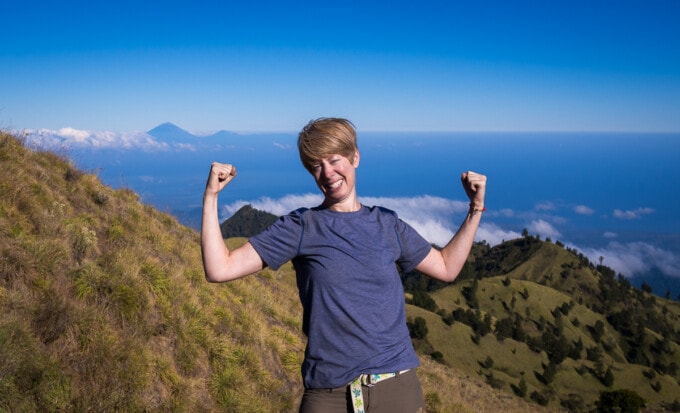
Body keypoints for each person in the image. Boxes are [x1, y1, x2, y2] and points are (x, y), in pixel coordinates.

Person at [201, 118, 487, 413]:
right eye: (316, 166)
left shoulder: (388, 224)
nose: (327, 173)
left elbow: (446, 267)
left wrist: (475, 208)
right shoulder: (301, 227)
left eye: (334, 160)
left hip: (396, 389)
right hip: (328, 395)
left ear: (355, 157)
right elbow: (219, 268)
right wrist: (211, 197)